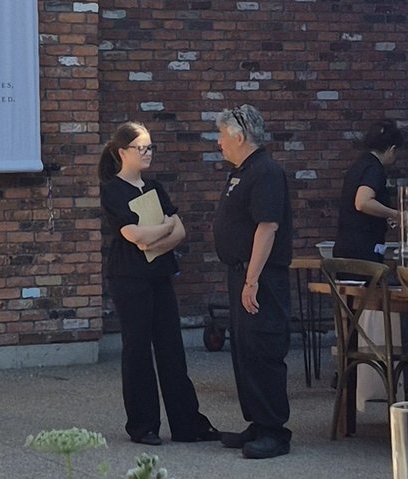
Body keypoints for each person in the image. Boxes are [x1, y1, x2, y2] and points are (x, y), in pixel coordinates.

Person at [99, 121, 225, 449]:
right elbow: (133, 236)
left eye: (150, 147)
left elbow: (179, 232)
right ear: (121, 151)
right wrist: (161, 231)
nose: (147, 153)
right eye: (140, 148)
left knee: (172, 348)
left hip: (159, 274)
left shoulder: (154, 188)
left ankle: (187, 423)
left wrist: (158, 236)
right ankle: (143, 425)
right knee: (138, 349)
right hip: (129, 278)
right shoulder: (113, 189)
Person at [213, 103, 295, 459]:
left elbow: (267, 226)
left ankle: (274, 430)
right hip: (241, 272)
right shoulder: (242, 171)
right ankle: (258, 422)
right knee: (244, 350)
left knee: (263, 348)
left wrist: (252, 280)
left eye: (221, 135)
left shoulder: (265, 172)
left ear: (240, 136)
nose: (218, 142)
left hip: (260, 276)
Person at [333, 118, 408, 263]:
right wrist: (396, 214)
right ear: (391, 149)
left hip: (346, 247)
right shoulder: (374, 169)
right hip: (363, 251)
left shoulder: (359, 164)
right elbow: (362, 202)